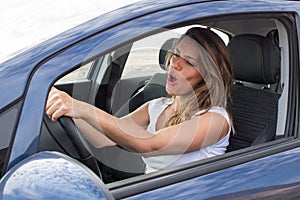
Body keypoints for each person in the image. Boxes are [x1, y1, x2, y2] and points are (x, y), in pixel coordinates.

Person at [46, 27, 233, 174]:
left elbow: (150, 144)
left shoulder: (215, 120)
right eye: (176, 54)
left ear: (206, 76)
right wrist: (64, 107)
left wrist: (82, 109)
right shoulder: (156, 106)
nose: (175, 64)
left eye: (189, 62)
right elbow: (103, 137)